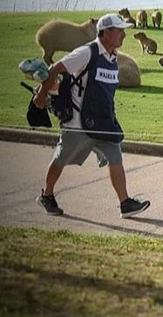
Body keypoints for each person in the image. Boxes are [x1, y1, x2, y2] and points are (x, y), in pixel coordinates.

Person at [33, 13, 151, 219]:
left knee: (115, 156)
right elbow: (55, 68)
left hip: (103, 121)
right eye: (119, 30)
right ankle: (47, 195)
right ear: (105, 33)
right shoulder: (87, 52)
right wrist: (41, 96)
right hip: (79, 122)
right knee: (61, 158)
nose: (123, 34)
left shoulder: (112, 57)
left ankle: (125, 203)